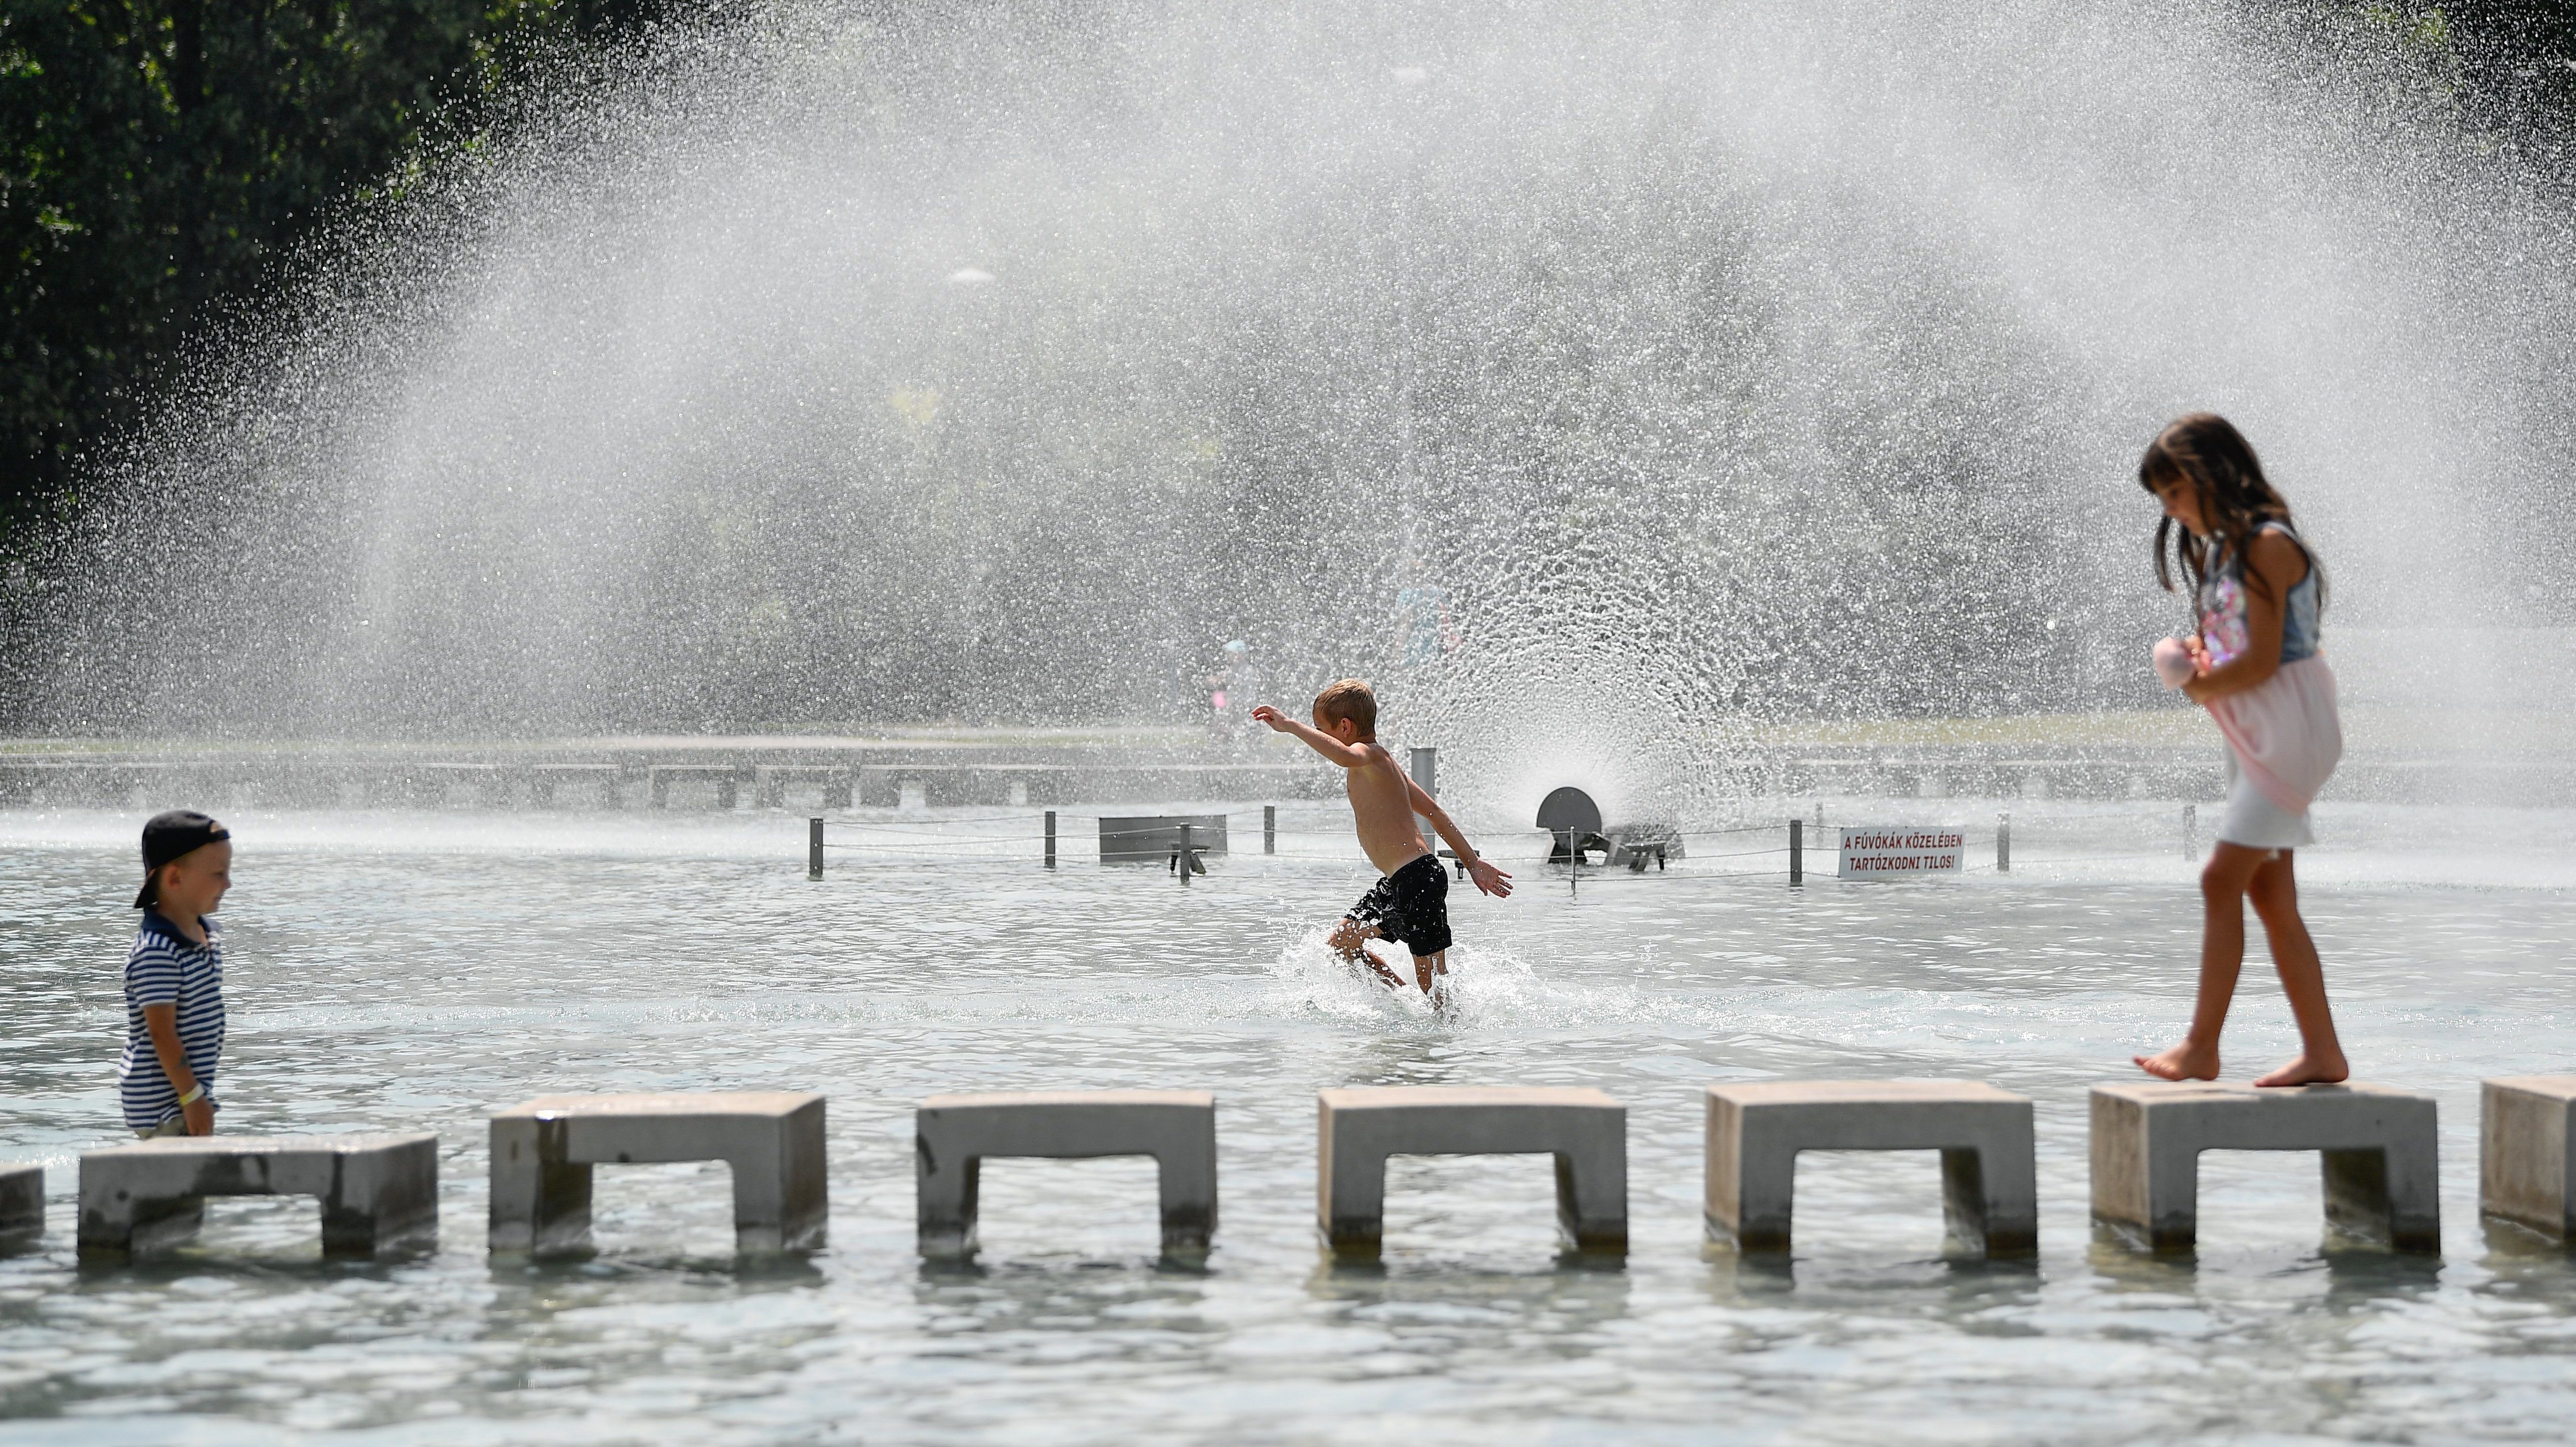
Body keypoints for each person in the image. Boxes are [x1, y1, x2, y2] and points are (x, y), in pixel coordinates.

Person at [2131, 414, 2347, 1087]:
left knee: (2219, 878)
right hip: (2251, 727)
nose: (2172, 510)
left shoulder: (2267, 545)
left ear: (2209, 475)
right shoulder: (2223, 549)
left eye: (2175, 493)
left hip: (2285, 726)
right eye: (2164, 500)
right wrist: (2199, 657)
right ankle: (2323, 1051)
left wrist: (2197, 684)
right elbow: (2237, 647)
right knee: (2270, 895)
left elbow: (2259, 662)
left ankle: (2201, 1046)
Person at [1252, 680, 1511, 1004]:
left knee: (1433, 981)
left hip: (1419, 880)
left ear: (1345, 727)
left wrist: (1292, 726)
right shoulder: (1382, 764)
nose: (1319, 737)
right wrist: (1471, 863)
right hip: (1399, 882)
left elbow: (1346, 756)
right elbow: (1434, 812)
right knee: (1342, 944)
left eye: (1323, 730)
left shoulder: (1368, 757)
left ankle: (1449, 1038)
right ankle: (1406, 1002)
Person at [120, 810, 231, 1138]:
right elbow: (162, 1034)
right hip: (165, 1106)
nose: (228, 883)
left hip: (185, 1098)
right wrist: (192, 1097)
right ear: (174, 879)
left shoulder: (205, 935)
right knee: (178, 1187)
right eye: (218, 873)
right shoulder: (157, 951)